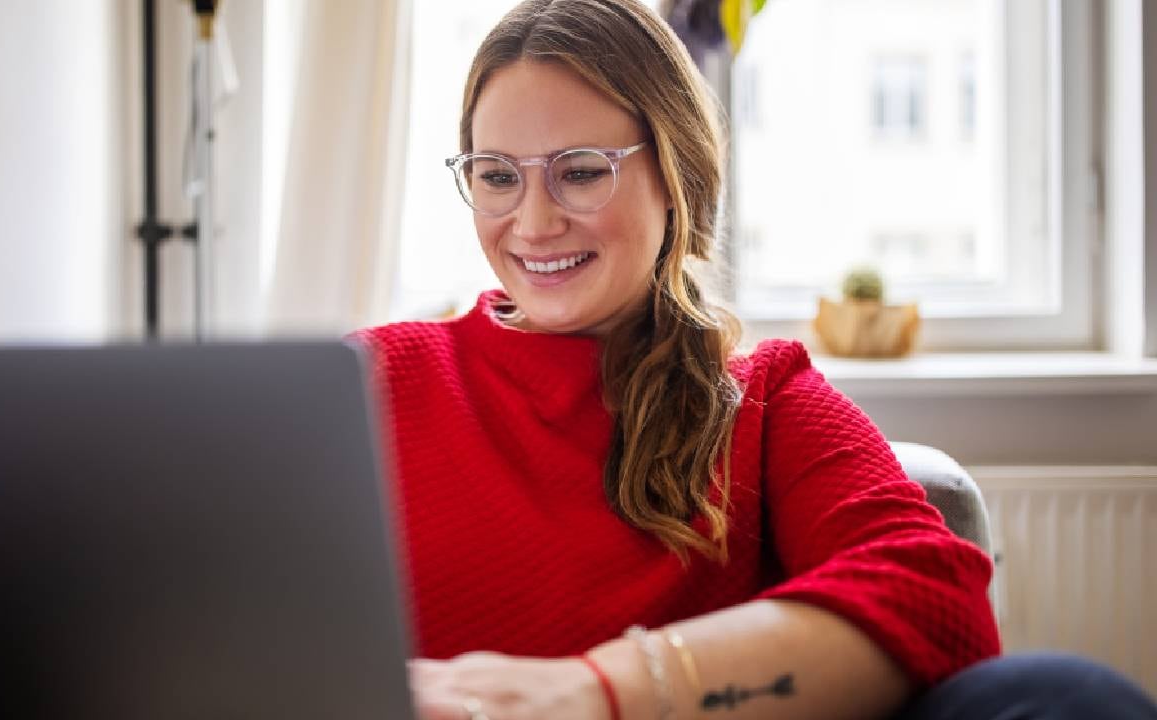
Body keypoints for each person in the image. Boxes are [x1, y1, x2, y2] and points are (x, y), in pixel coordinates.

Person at [353, 1, 1157, 718]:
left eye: (583, 172)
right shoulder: (372, 380)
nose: (532, 223)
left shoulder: (763, 398)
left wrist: (601, 691)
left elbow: (939, 600)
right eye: (497, 176)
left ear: (676, 175)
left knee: (1067, 697)